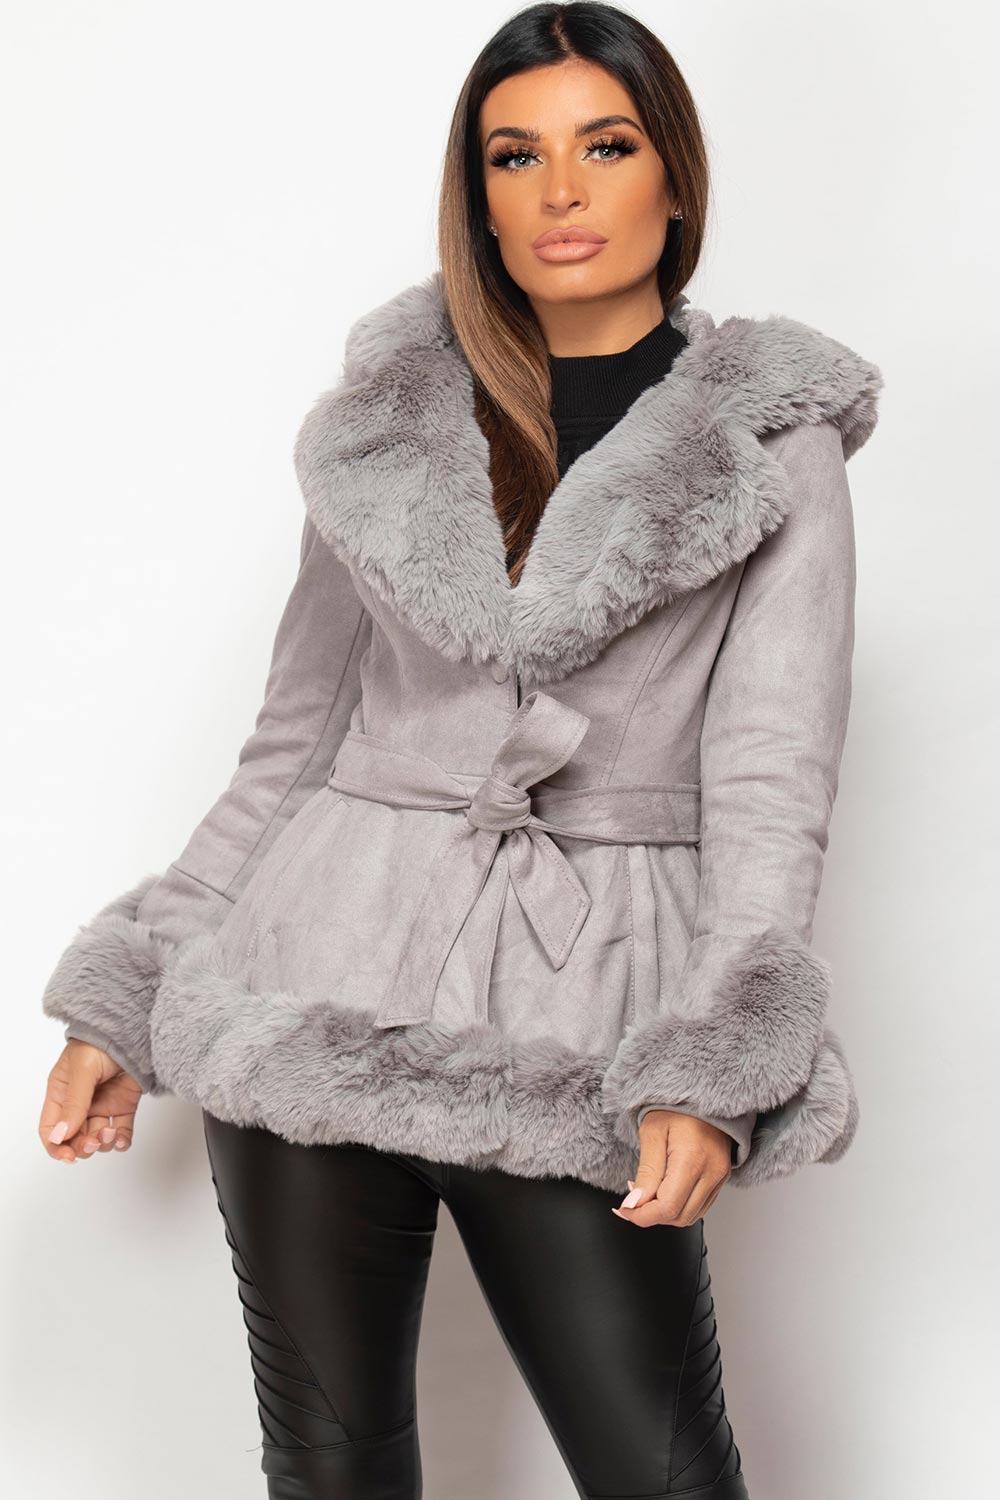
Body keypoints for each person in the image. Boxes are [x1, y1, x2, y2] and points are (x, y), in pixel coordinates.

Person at [36, 4, 883, 1497]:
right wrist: (134, 989)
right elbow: (294, 744)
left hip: (584, 1020)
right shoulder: (388, 429)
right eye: (514, 154)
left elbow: (770, 783)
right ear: (477, 193)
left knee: (663, 1474)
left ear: (673, 177)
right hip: (310, 985)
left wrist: (714, 1062)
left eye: (604, 145)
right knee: (332, 1470)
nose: (560, 189)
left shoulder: (769, 442)